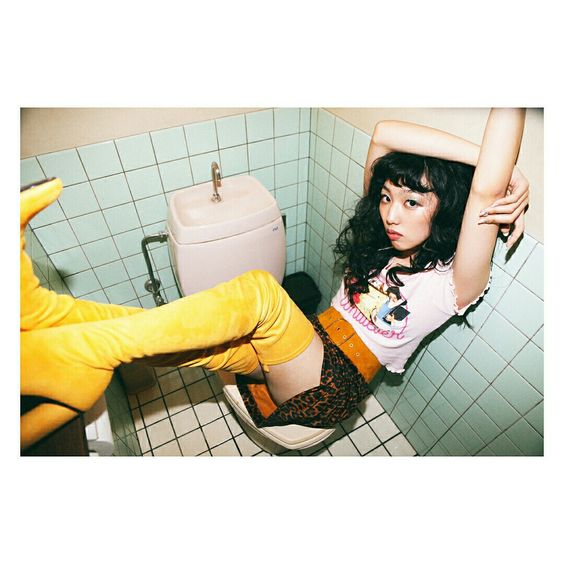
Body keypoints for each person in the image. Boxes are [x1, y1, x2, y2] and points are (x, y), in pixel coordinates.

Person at [20, 108, 528, 450]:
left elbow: (483, 191)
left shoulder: (452, 282)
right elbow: (384, 133)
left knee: (263, 292)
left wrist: (500, 172)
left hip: (333, 383)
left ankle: (73, 354)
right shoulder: (381, 241)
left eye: (413, 202)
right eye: (387, 197)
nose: (392, 213)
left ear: (446, 213)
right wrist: (478, 159)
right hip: (305, 346)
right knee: (193, 345)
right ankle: (49, 315)